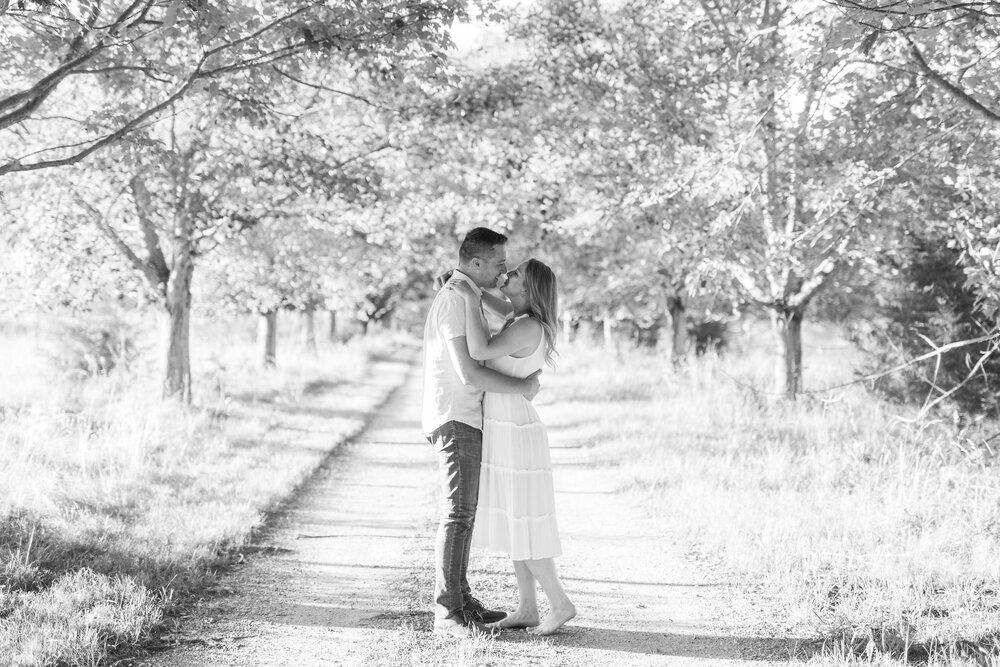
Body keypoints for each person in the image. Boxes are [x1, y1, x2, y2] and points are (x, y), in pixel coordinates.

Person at [422, 227, 541, 639]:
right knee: (457, 513)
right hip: (455, 415)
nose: (504, 270)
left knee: (465, 514)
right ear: (475, 263)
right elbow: (469, 370)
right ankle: (447, 614)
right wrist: (524, 387)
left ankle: (461, 601)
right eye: (498, 263)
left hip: (467, 415)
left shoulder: (465, 293)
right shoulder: (457, 298)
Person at [452, 258, 577, 636]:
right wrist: (478, 293)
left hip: (514, 430)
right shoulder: (520, 319)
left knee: (523, 521)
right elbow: (502, 305)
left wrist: (468, 297)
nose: (507, 275)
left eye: (516, 273)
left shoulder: (525, 327)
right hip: (508, 424)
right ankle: (527, 608)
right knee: (517, 520)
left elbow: (478, 349)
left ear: (528, 289)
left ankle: (561, 604)